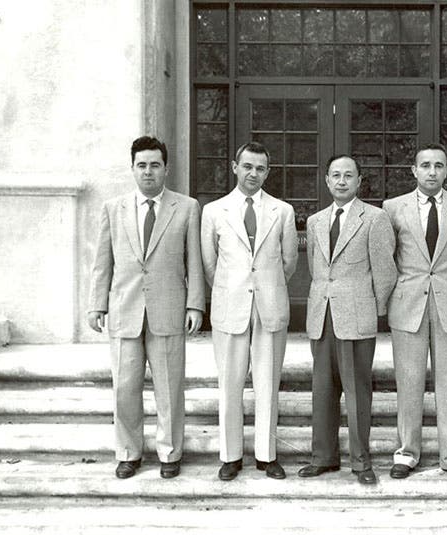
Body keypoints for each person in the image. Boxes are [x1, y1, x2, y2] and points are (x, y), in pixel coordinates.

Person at [87, 135, 205, 479]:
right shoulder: (114, 208)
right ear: (133, 168)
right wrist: (97, 304)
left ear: (166, 168)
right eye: (142, 166)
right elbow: (102, 262)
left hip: (168, 309)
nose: (149, 172)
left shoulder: (186, 207)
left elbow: (193, 261)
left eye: (155, 165)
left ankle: (170, 453)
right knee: (124, 387)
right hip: (125, 310)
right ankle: (128, 452)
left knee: (169, 387)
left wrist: (195, 305)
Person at [201, 141, 298, 481]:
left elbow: (289, 262)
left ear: (267, 172)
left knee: (267, 383)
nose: (253, 173)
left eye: (260, 168)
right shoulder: (214, 211)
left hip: (269, 306)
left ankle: (266, 455)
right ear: (234, 167)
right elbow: (210, 265)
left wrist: (264, 287)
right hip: (231, 306)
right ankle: (230, 456)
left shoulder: (281, 211)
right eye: (247, 166)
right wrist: (236, 289)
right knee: (230, 384)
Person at [382, 143, 447, 480]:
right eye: (425, 165)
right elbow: (389, 259)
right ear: (414, 170)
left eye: (439, 165)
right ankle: (407, 453)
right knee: (408, 381)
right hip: (408, 304)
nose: (432, 172)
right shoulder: (393, 208)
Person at [297, 155, 396, 485]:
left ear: (358, 181)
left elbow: (384, 271)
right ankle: (322, 457)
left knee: (357, 391)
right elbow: (316, 268)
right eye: (335, 175)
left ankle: (360, 461)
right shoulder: (315, 221)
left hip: (357, 315)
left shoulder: (375, 219)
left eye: (348, 176)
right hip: (322, 314)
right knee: (322, 389)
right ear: (326, 181)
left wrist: (375, 311)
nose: (341, 181)